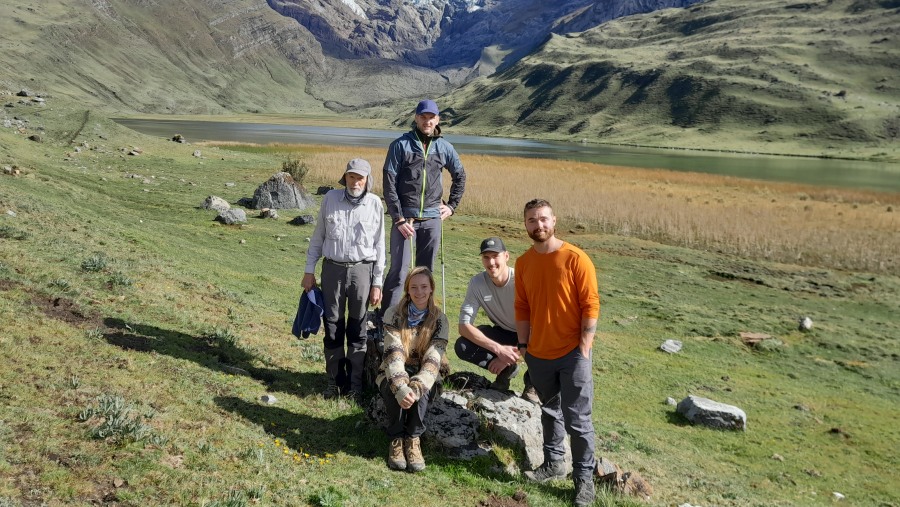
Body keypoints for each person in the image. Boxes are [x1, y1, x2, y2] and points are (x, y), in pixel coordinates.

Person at [514, 199, 600, 507]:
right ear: (525, 224)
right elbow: (522, 307)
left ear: (554, 221)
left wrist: (585, 346)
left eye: (543, 219)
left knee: (578, 420)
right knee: (549, 412)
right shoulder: (523, 263)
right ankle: (553, 463)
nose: (538, 225)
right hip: (538, 355)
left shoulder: (576, 258)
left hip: (572, 354)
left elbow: (591, 305)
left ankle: (583, 482)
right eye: (532, 220)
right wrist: (524, 346)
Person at [302, 158, 385, 403]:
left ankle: (355, 386)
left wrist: (377, 282)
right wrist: (309, 270)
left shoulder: (375, 204)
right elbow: (318, 236)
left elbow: (380, 245)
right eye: (351, 176)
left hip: (362, 271)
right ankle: (334, 382)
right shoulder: (330, 199)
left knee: (358, 327)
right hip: (332, 270)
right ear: (345, 177)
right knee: (332, 325)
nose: (355, 181)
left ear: (368, 180)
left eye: (360, 177)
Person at [380, 98, 466, 311]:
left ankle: (421, 321)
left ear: (438, 119)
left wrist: (452, 206)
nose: (427, 121)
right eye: (423, 117)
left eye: (431, 117)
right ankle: (387, 322)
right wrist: (398, 218)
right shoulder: (400, 145)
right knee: (399, 273)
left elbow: (460, 175)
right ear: (416, 118)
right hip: (405, 220)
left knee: (425, 274)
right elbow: (388, 182)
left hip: (431, 220)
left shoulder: (444, 147)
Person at [376, 266, 449, 473]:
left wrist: (415, 388)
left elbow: (433, 359)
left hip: (427, 374)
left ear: (432, 289)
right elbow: (393, 353)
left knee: (422, 394)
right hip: (392, 370)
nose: (419, 292)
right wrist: (401, 387)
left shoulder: (441, 320)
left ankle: (413, 439)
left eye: (424, 287)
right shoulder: (393, 314)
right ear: (407, 289)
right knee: (393, 392)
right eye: (414, 287)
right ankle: (396, 439)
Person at [455, 237, 538, 402]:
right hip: (504, 333)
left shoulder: (522, 280)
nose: (491, 262)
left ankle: (533, 384)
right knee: (462, 345)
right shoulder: (477, 283)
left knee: (544, 340)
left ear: (506, 256)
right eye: (486, 257)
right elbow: (464, 326)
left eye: (495, 256)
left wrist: (514, 351)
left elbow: (540, 322)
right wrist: (499, 350)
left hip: (531, 332)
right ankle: (506, 370)